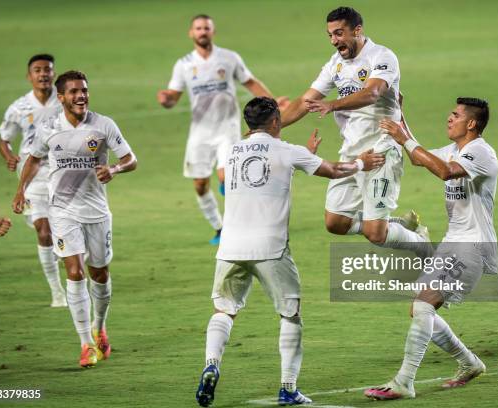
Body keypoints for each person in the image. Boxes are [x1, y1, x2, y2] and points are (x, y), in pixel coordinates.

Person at [195, 97, 385, 407]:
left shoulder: (230, 151)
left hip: (230, 246)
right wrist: (363, 162)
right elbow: (336, 169)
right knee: (290, 314)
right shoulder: (286, 150)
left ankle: (211, 364)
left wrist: (301, 157)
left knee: (224, 310)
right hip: (270, 247)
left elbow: (257, 172)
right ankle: (288, 388)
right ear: (273, 122)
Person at [364, 97, 498, 400]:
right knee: (419, 309)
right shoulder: (454, 149)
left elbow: (446, 172)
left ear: (472, 123)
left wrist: (404, 138)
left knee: (424, 306)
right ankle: (469, 362)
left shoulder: (481, 152)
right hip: (454, 242)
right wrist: (400, 118)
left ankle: (404, 381)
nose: (449, 118)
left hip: (472, 245)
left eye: (455, 115)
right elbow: (418, 157)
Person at [280, 6, 430, 257]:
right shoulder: (335, 65)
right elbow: (304, 101)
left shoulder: (381, 56)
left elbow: (373, 92)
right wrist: (268, 128)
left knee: (375, 234)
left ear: (357, 30)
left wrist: (332, 104)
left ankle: (421, 244)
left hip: (382, 149)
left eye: (339, 33)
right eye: (330, 35)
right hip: (352, 151)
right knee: (335, 223)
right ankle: (397, 225)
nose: (334, 41)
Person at [12, 70, 138, 368]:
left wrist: (115, 170)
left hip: (96, 212)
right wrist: (21, 190)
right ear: (62, 97)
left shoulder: (104, 125)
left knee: (100, 274)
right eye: (74, 92)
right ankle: (85, 344)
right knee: (75, 270)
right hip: (63, 211)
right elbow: (33, 158)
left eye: (84, 90)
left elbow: (131, 159)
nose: (81, 96)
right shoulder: (48, 128)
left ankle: (99, 325)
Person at [157, 14, 286, 245]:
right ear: (191, 33)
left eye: (206, 28)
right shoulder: (184, 64)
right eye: (198, 28)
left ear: (212, 32)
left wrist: (273, 102)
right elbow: (173, 97)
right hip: (200, 132)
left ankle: (241, 224)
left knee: (226, 177)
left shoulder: (229, 58)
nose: (202, 32)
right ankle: (219, 226)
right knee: (200, 185)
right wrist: (166, 99)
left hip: (227, 128)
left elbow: (251, 82)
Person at [0, 54, 66, 307]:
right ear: (29, 76)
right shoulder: (19, 108)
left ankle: (69, 265)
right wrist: (9, 156)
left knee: (65, 229)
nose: (43, 74)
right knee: (43, 230)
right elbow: (4, 138)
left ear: (54, 74)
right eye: (37, 70)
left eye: (47, 69)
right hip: (32, 174)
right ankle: (57, 292)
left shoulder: (64, 101)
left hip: (63, 172)